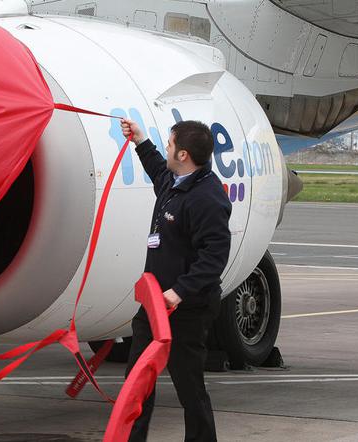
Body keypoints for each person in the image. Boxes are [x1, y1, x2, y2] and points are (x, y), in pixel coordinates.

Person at [121, 118, 232, 442]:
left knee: (189, 387)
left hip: (186, 309)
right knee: (137, 382)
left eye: (169, 144)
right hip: (155, 305)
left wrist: (180, 291)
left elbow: (214, 257)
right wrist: (140, 141)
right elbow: (158, 170)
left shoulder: (207, 199)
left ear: (183, 155)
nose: (166, 148)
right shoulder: (175, 180)